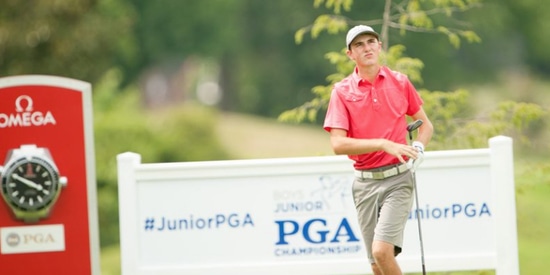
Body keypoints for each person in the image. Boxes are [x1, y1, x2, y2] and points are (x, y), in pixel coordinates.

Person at [323, 25, 434, 275]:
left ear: (379, 46)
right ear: (350, 54)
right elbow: (338, 144)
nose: (367, 48)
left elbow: (426, 125)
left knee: (382, 251)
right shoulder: (341, 92)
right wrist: (382, 143)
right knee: (376, 265)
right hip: (364, 184)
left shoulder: (400, 82)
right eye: (359, 45)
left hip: (398, 178)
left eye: (371, 42)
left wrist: (418, 146)